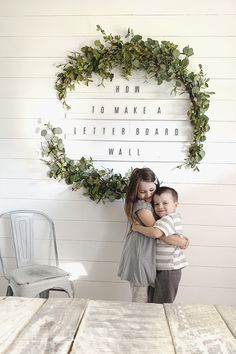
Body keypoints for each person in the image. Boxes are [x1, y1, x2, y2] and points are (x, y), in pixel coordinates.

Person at [117, 168, 188, 303]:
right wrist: (180, 242)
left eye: (151, 189)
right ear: (135, 191)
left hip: (148, 254)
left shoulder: (155, 204)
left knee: (151, 297)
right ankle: (139, 321)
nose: (148, 194)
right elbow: (158, 233)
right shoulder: (142, 207)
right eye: (143, 192)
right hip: (141, 254)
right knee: (141, 297)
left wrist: (182, 237)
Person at [132, 186, 188, 303]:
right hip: (164, 269)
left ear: (176, 205)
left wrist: (137, 228)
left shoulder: (168, 219)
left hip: (169, 270)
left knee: (162, 304)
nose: (160, 207)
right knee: (156, 301)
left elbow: (156, 233)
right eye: (156, 204)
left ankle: (161, 321)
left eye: (165, 203)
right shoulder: (168, 218)